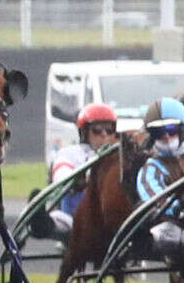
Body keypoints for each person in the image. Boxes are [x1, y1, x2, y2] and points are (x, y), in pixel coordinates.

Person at [135, 97, 184, 258]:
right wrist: (181, 209)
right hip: (181, 227)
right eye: (159, 133)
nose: (167, 137)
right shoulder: (150, 169)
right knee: (162, 233)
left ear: (183, 129)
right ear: (151, 136)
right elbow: (157, 199)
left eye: (171, 129)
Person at [30, 103, 119, 240]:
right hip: (76, 219)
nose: (104, 134)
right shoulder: (70, 154)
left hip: (112, 222)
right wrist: (78, 180)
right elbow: (61, 176)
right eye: (97, 129)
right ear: (84, 132)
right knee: (60, 220)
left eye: (109, 129)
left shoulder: (119, 155)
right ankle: (42, 223)